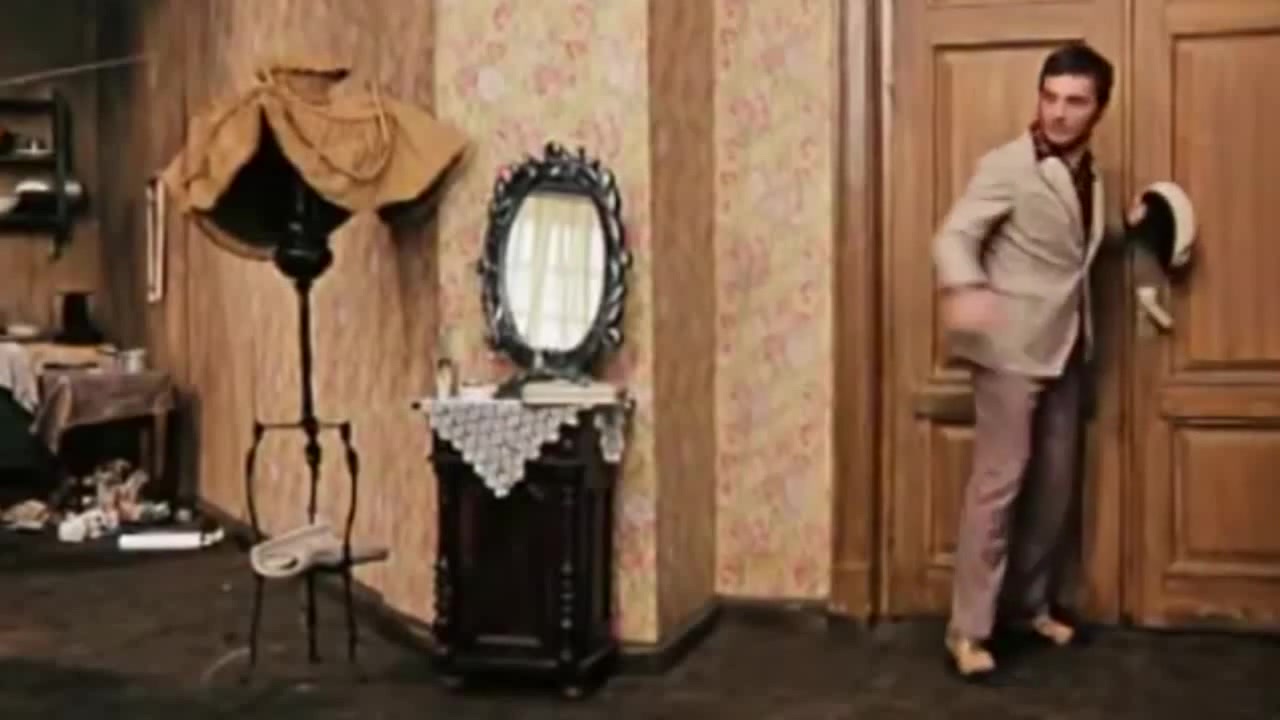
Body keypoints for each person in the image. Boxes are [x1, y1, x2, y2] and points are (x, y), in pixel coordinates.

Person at [932, 41, 1145, 678]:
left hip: (1068, 347)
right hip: (1009, 351)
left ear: (1099, 108)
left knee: (1054, 487)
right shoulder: (1007, 166)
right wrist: (965, 286)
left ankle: (1029, 607)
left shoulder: (1093, 177)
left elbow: (1079, 242)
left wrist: (1132, 224)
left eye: (1075, 101)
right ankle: (968, 631)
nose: (1058, 112)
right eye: (1050, 97)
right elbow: (954, 235)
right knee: (998, 485)